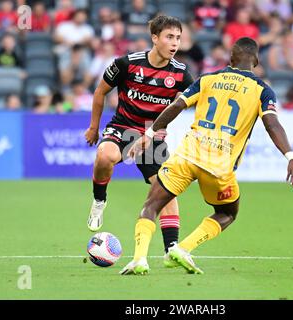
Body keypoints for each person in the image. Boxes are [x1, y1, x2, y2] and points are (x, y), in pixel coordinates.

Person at [120, 37, 293, 275]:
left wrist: (150, 132)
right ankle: (182, 248)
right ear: (256, 61)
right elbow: (272, 124)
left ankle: (139, 259)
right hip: (219, 166)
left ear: (231, 58)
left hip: (186, 156)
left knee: (151, 205)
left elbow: (176, 106)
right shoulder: (263, 91)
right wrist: (290, 156)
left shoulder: (207, 79)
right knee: (227, 213)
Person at [84, 15, 194, 266]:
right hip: (123, 128)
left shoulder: (181, 74)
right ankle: (99, 200)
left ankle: (171, 249)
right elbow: (100, 91)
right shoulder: (127, 64)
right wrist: (93, 127)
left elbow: (197, 99)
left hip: (152, 134)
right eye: (169, 37)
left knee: (165, 189)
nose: (175, 42)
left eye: (178, 37)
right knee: (104, 156)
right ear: (155, 38)